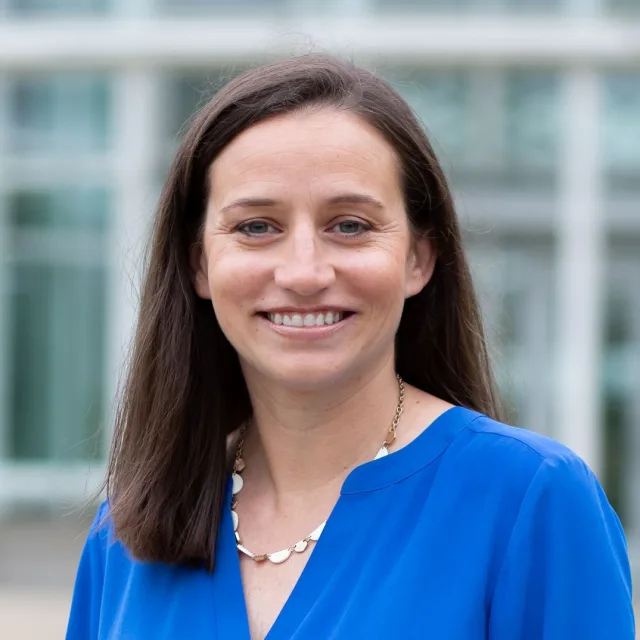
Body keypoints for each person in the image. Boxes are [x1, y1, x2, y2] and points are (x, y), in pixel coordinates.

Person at [66, 55, 634, 640]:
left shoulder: (530, 500)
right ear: (199, 264)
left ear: (419, 258)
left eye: (350, 225)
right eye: (257, 227)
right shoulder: (125, 536)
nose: (305, 272)